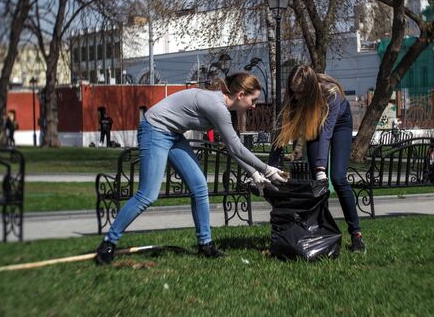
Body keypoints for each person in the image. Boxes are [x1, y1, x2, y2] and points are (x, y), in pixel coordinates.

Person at [94, 72, 287, 264]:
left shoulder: (221, 106)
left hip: (173, 133)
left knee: (199, 185)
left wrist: (254, 172)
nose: (254, 105)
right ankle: (108, 243)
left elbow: (232, 148)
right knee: (147, 194)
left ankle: (205, 245)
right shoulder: (217, 106)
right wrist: (266, 169)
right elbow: (236, 147)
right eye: (253, 100)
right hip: (155, 129)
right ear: (241, 95)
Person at [271, 64, 366, 252]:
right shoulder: (294, 97)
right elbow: (282, 130)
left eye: (301, 93)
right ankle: (322, 231)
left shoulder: (331, 93)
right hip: (314, 122)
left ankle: (356, 235)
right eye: (294, 92)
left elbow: (327, 132)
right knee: (317, 184)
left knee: (338, 178)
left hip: (339, 124)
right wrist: (270, 167)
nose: (297, 97)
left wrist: (323, 168)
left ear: (311, 89)